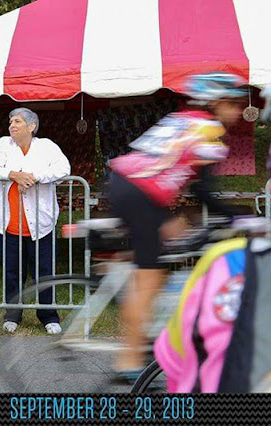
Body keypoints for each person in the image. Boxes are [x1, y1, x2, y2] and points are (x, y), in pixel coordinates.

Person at [107, 72, 246, 380]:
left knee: (172, 240)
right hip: (139, 194)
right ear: (216, 103)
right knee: (150, 278)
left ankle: (142, 332)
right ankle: (128, 361)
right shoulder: (209, 129)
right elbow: (203, 189)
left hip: (127, 186)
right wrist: (238, 217)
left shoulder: (184, 119)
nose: (238, 111)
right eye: (233, 104)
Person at [0, 107, 71, 334]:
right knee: (12, 273)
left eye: (17, 121)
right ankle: (12, 315)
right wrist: (13, 175)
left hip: (40, 225)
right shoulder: (2, 145)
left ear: (32, 126)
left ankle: (48, 316)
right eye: (10, 121)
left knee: (44, 273)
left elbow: (63, 168)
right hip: (7, 225)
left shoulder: (47, 147)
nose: (12, 125)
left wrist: (33, 177)